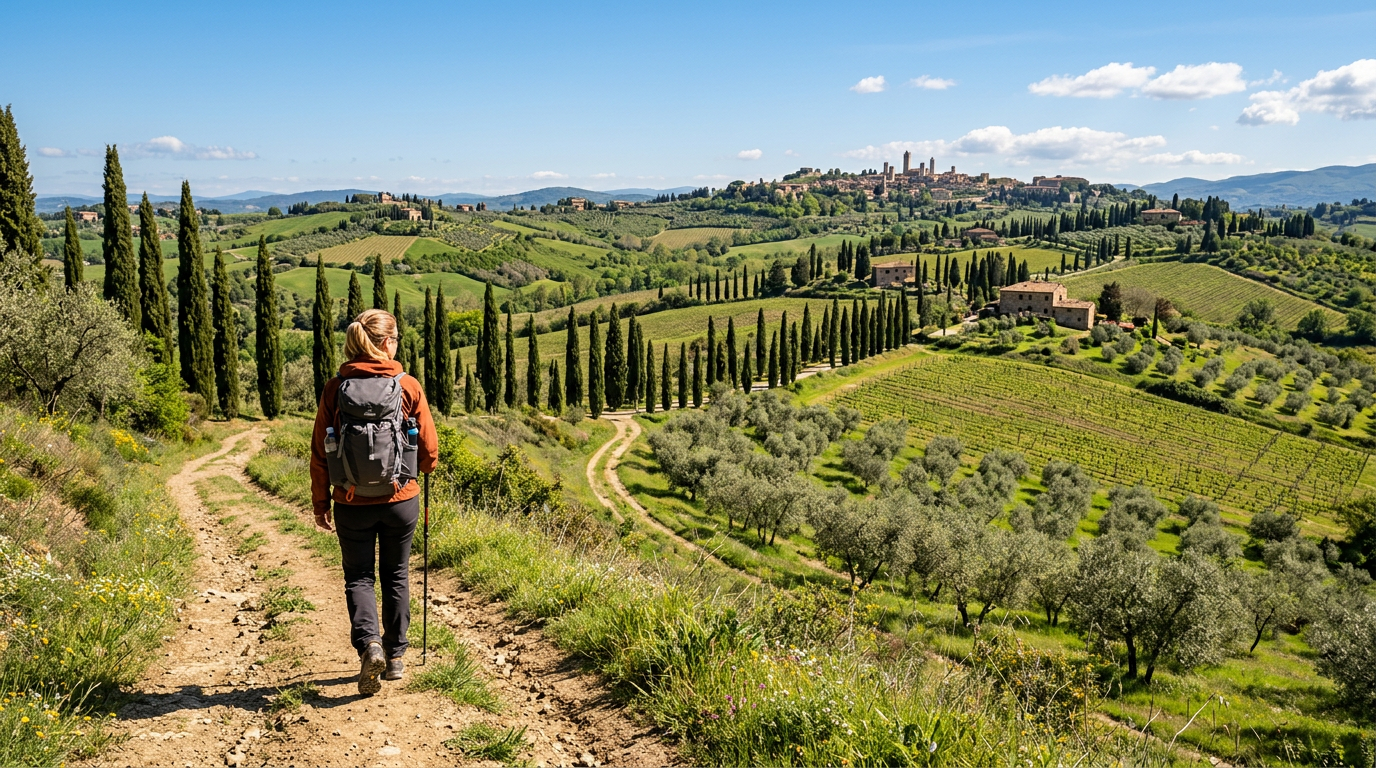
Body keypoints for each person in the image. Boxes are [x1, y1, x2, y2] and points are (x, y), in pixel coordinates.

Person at [311, 308, 438, 695]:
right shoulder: (408, 385)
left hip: (350, 499)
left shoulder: (335, 389)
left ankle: (370, 645)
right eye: (395, 338)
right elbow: (429, 452)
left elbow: (320, 452)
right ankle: (396, 657)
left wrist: (321, 503)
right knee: (396, 574)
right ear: (386, 343)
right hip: (401, 498)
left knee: (359, 576)